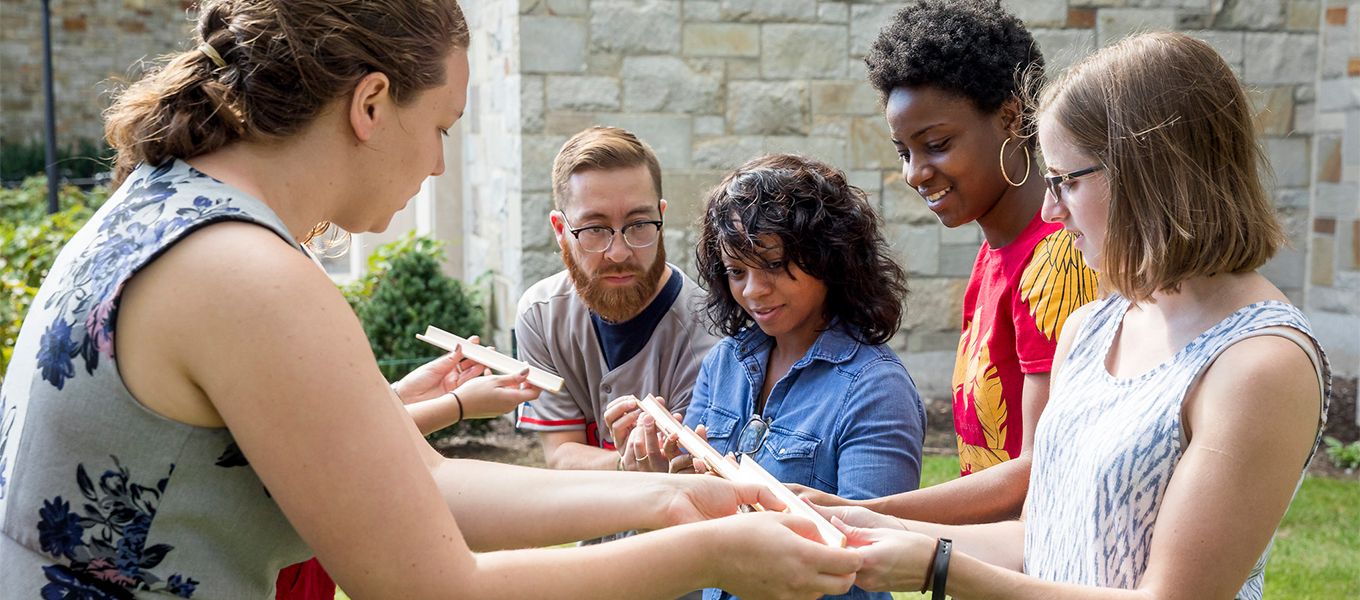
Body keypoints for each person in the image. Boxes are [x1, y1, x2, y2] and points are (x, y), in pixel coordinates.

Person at [0, 1, 863, 598]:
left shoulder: (175, 208)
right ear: (371, 102)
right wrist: (709, 553)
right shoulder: (247, 276)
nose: (440, 165)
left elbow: (421, 486)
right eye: (443, 126)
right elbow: (427, 583)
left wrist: (682, 503)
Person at [820, 32, 1330, 599]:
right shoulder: (1091, 328)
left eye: (1065, 181)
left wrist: (937, 568)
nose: (1048, 207)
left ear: (1149, 171)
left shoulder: (1261, 363)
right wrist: (863, 526)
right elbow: (1039, 541)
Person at [800, 0, 1098, 525]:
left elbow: (1039, 472)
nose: (916, 173)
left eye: (935, 145)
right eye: (903, 152)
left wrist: (864, 513)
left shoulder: (1057, 262)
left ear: (1011, 117)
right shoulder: (993, 253)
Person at [647, 154, 924, 600]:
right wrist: (676, 475)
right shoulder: (724, 363)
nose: (753, 291)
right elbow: (695, 520)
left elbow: (870, 559)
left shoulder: (875, 387)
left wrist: (748, 514)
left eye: (774, 266)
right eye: (737, 272)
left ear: (830, 259)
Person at [515, 126, 717, 476]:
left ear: (662, 219)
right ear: (561, 230)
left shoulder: (707, 331)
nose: (619, 251)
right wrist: (625, 465)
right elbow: (560, 454)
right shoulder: (541, 315)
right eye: (595, 228)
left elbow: (689, 475)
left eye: (638, 224)